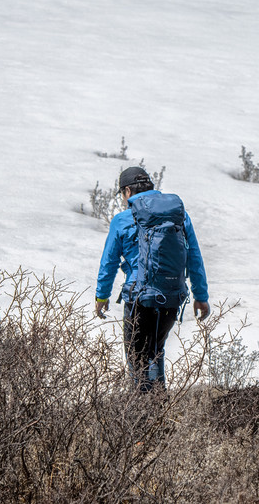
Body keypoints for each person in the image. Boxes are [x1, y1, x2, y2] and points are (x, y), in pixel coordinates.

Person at [95, 166, 209, 393]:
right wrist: (201, 296)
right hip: (171, 295)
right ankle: (158, 411)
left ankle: (142, 415)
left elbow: (109, 261)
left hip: (139, 297)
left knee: (137, 357)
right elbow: (193, 255)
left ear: (127, 190)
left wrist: (102, 295)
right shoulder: (179, 215)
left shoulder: (122, 220)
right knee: (155, 351)